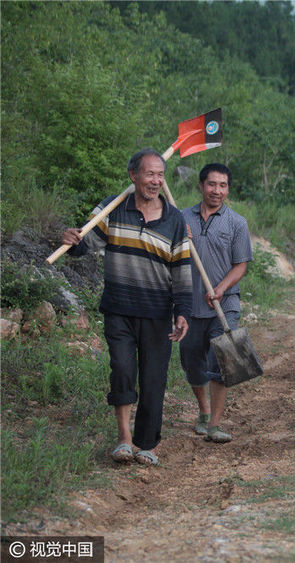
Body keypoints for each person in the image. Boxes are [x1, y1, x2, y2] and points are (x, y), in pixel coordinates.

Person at [61, 149, 191, 466]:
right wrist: (71, 240)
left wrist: (182, 310)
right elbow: (86, 243)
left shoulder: (175, 219)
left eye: (160, 175)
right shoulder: (113, 208)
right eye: (150, 174)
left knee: (153, 378)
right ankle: (124, 438)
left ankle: (146, 444)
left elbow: (181, 270)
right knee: (121, 369)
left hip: (157, 311)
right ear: (133, 175)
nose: (156, 181)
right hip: (119, 307)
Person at [179, 163, 252, 443]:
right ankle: (204, 411)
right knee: (191, 361)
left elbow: (241, 264)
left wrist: (221, 289)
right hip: (189, 305)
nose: (217, 191)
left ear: (228, 189)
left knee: (221, 361)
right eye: (212, 184)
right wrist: (179, 241)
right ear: (201, 185)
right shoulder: (181, 218)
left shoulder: (237, 223)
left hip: (224, 305)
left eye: (223, 186)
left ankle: (216, 424)